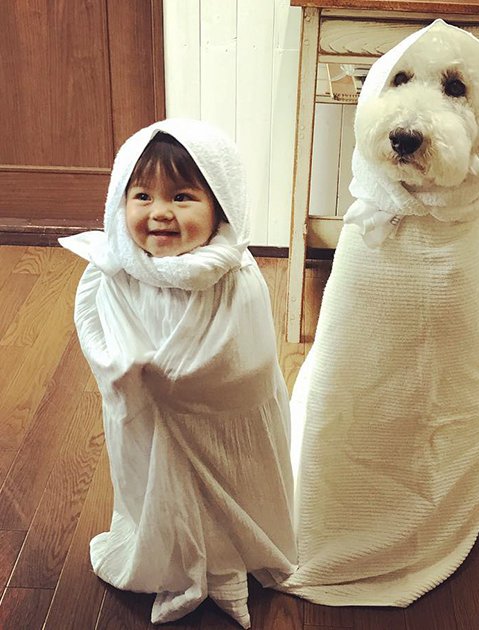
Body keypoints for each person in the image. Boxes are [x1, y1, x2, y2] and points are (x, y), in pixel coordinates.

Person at [59, 119, 296, 627]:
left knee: (227, 493)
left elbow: (248, 363)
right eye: (141, 195)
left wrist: (174, 380)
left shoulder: (234, 275)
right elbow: (94, 328)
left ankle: (228, 559)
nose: (160, 212)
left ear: (220, 207)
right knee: (152, 490)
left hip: (221, 429)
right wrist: (120, 371)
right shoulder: (112, 271)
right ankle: (169, 560)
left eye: (183, 196)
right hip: (145, 424)